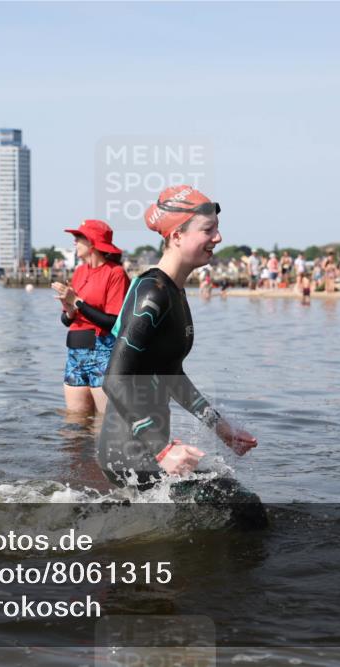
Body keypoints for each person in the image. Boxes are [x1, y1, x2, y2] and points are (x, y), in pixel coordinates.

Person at [97, 185, 260, 507]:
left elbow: (172, 375)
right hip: (129, 451)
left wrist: (221, 428)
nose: (218, 237)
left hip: (147, 447)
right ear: (176, 236)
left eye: (217, 228)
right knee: (244, 509)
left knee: (228, 503)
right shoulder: (152, 292)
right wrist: (162, 448)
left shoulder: (174, 291)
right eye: (208, 229)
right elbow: (114, 379)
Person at [52, 219, 130, 415]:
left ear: (93, 243)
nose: (74, 242)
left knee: (105, 423)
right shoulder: (79, 272)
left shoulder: (116, 273)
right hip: (75, 353)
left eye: (79, 238)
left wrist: (77, 302)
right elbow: (66, 321)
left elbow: (114, 323)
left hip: (103, 353)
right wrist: (69, 310)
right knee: (75, 423)